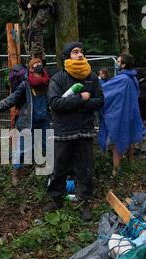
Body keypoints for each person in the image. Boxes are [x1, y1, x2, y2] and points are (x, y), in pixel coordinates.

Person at [45, 41, 104, 221]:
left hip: (85, 131)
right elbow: (55, 104)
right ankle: (56, 199)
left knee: (85, 168)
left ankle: (83, 202)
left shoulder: (91, 77)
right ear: (67, 56)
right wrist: (81, 98)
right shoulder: (58, 78)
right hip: (63, 131)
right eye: (75, 52)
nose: (80, 55)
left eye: (81, 52)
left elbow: (99, 101)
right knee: (59, 167)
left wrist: (80, 104)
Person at [0, 57, 50, 186]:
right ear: (30, 68)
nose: (39, 65)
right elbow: (12, 99)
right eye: (36, 64)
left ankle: (50, 174)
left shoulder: (47, 83)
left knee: (49, 147)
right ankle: (16, 172)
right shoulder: (25, 84)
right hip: (27, 123)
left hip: (44, 122)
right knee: (22, 149)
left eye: (40, 63)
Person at [98, 53, 146, 176]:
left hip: (121, 115)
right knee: (130, 139)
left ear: (124, 64)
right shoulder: (132, 78)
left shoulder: (123, 79)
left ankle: (115, 171)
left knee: (117, 141)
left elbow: (106, 90)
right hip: (131, 113)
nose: (116, 63)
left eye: (118, 62)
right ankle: (130, 165)